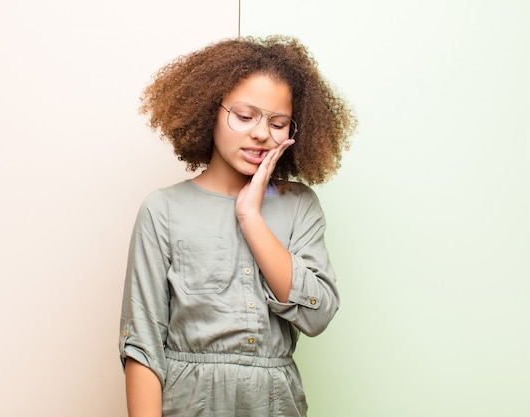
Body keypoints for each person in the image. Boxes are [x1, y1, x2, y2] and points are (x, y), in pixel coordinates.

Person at [119, 35, 357, 417]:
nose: (261, 133)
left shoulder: (299, 206)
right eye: (245, 116)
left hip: (275, 404)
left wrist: (251, 217)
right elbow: (142, 343)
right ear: (208, 111)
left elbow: (317, 315)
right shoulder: (163, 209)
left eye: (277, 123)